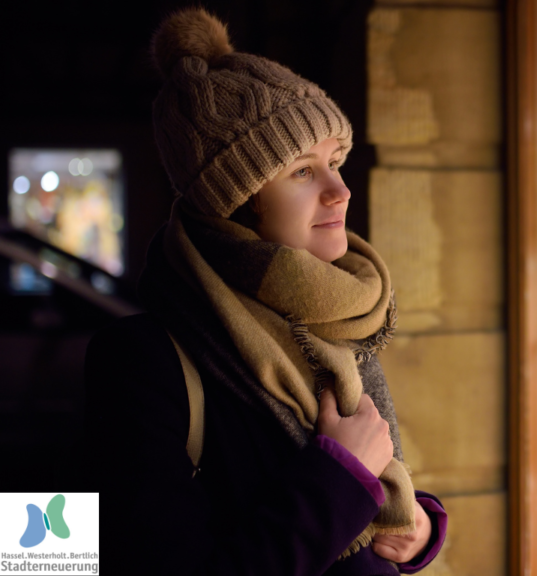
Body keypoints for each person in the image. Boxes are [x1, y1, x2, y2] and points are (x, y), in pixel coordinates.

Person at [81, 8, 446, 575]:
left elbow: (370, 505)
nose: (340, 190)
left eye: (334, 161)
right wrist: (340, 477)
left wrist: (415, 526)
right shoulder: (140, 360)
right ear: (236, 200)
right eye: (302, 171)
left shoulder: (332, 320)